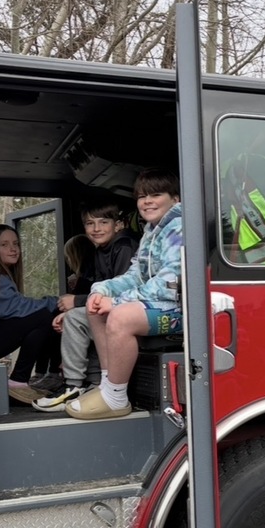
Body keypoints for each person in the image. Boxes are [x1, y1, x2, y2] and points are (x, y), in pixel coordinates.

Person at [66, 169, 183, 420]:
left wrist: (117, 301)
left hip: (183, 309)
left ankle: (116, 397)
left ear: (175, 199)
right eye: (142, 196)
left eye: (155, 194)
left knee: (119, 316)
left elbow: (171, 284)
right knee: (95, 306)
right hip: (160, 303)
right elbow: (136, 275)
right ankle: (109, 385)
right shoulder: (152, 231)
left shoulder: (178, 227)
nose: (147, 201)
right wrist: (102, 290)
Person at [33, 204, 138, 412]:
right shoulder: (101, 251)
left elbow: (123, 289)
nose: (96, 228)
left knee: (77, 317)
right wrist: (75, 308)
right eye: (90, 223)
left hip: (130, 310)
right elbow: (98, 292)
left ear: (118, 225)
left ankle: (74, 385)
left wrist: (77, 302)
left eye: (103, 222)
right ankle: (90, 383)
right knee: (76, 317)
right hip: (112, 309)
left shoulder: (124, 246)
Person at [0, 224, 63, 405]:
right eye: (4, 244)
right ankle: (19, 380)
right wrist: (58, 301)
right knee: (43, 316)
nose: (13, 249)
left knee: (44, 315)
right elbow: (12, 308)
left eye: (15, 243)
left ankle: (46, 374)